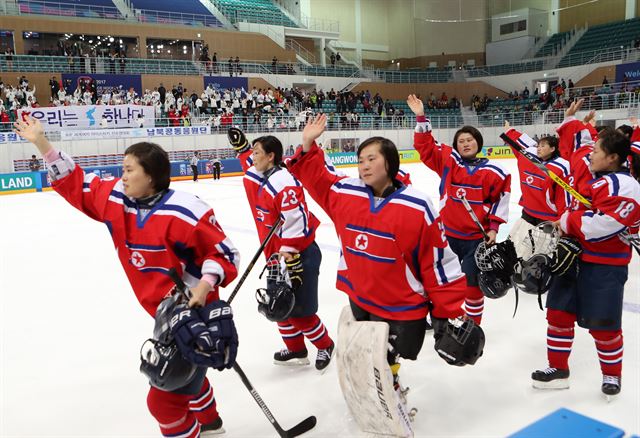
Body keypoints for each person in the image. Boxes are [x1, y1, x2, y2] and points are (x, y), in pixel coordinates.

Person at [13, 117, 241, 437]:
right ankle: (211, 421)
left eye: (129, 169)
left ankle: (196, 426)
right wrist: (41, 142)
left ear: (151, 176)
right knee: (187, 375)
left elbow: (225, 255)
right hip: (163, 312)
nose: (122, 176)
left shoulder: (186, 210)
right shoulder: (117, 200)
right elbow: (78, 184)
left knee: (163, 400)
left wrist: (203, 288)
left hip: (194, 311)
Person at [287, 113, 467, 392]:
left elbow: (438, 263)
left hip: (402, 303)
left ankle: (391, 384)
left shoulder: (418, 205)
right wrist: (309, 143)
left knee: (389, 355)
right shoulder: (345, 192)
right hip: (361, 295)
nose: (364, 165)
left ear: (390, 162)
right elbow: (317, 179)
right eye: (360, 160)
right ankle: (382, 384)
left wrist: (448, 312)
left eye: (372, 158)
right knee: (370, 352)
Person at [530, 129, 640, 397]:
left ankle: (612, 375)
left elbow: (602, 226)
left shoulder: (627, 186)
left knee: (603, 324)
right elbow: (579, 208)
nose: (591, 154)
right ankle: (558, 369)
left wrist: (568, 221)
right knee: (558, 314)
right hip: (573, 258)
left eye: (597, 151)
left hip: (604, 266)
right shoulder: (594, 177)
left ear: (613, 157)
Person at [229, 128, 335, 370]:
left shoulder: (283, 182)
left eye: (257, 153)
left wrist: (290, 254)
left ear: (271, 157)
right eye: (253, 153)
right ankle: (297, 348)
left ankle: (325, 345)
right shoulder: (259, 172)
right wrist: (243, 149)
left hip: (298, 255)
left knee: (301, 312)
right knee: (277, 307)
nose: (253, 157)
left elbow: (298, 220)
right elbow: (250, 163)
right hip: (276, 256)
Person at [407, 94, 511, 325]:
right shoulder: (448, 162)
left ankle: (473, 326)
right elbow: (424, 147)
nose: (465, 143)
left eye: (470, 140)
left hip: (476, 240)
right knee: (437, 279)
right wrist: (421, 116)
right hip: (446, 235)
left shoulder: (495, 170)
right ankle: (437, 317)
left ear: (478, 143)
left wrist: (494, 229)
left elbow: (500, 200)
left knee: (472, 284)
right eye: (461, 140)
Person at [503, 121, 571, 258]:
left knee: (542, 260)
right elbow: (520, 144)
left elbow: (564, 197)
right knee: (517, 254)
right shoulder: (528, 159)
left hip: (548, 221)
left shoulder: (561, 168)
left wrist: (563, 221)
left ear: (552, 149)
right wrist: (509, 131)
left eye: (543, 146)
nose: (538, 148)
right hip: (527, 215)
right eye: (538, 145)